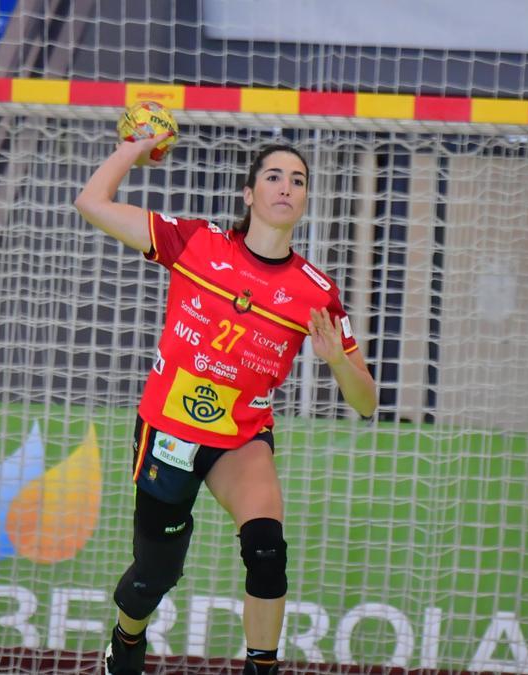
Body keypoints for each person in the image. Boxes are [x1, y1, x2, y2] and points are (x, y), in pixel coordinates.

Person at [75, 136, 377, 675]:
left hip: (239, 439)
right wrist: (132, 151)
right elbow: (91, 203)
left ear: (305, 200)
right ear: (249, 193)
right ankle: (126, 638)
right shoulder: (197, 242)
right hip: (169, 431)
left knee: (267, 550)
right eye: (274, 177)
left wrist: (337, 361)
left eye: (298, 180)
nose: (286, 187)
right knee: (154, 576)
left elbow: (367, 401)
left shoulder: (316, 293)